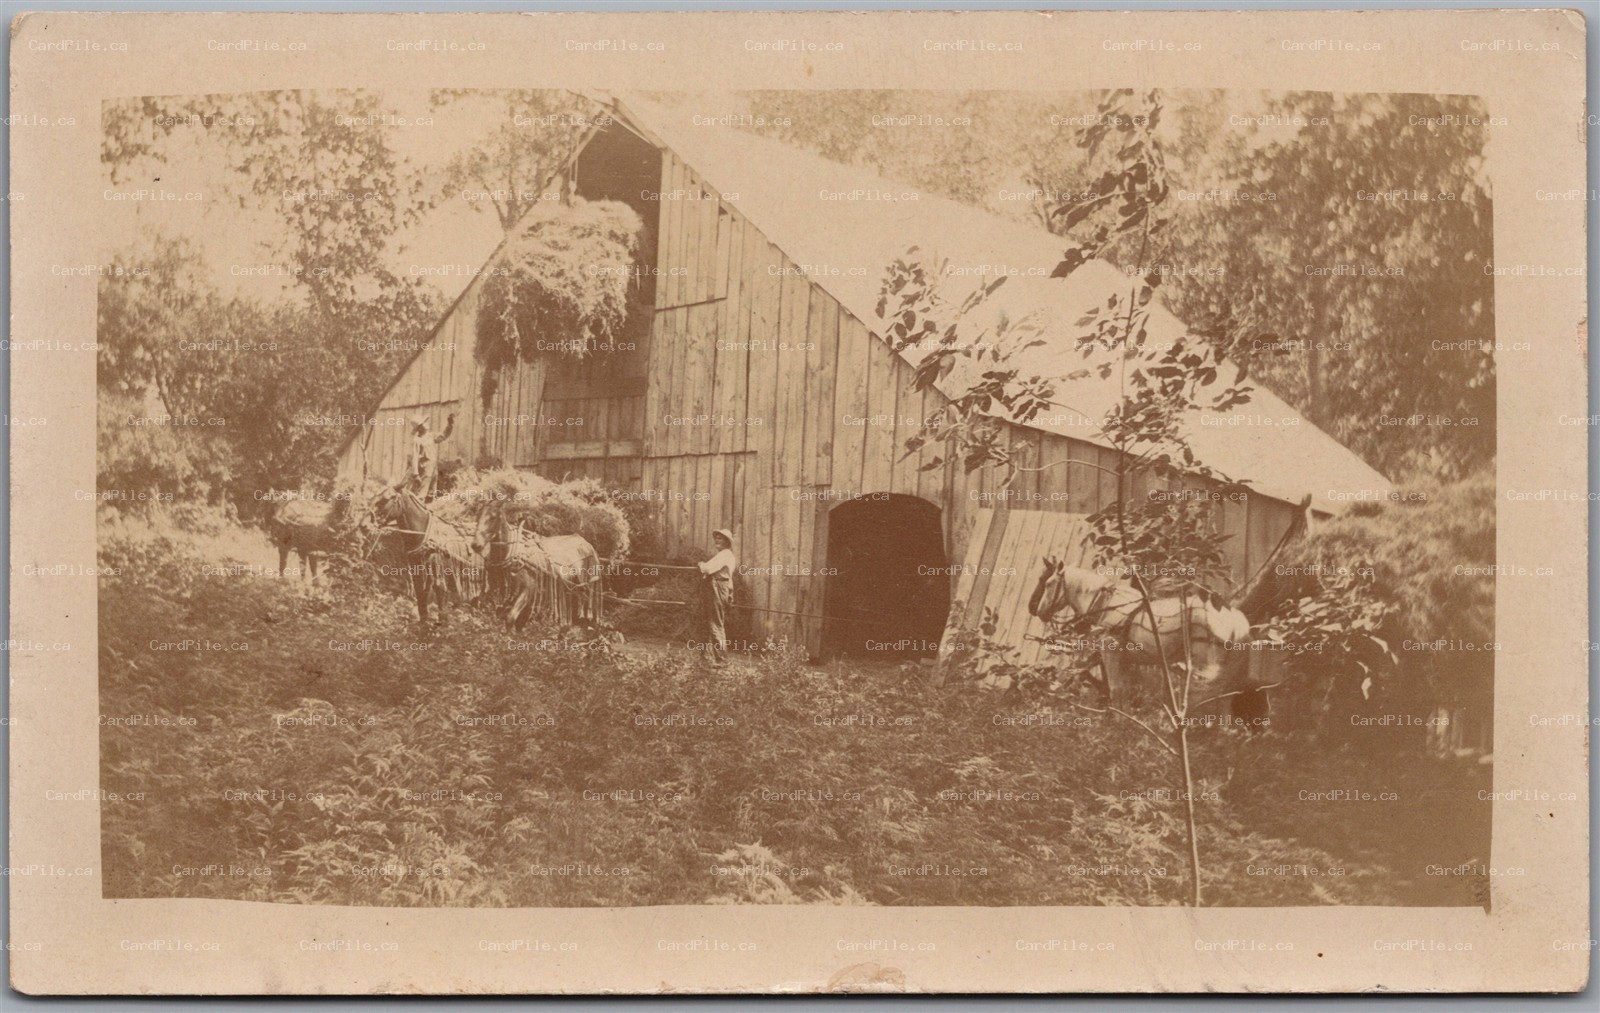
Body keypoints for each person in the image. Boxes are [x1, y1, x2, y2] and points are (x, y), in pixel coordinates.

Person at [696, 528, 736, 667]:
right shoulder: (723, 555)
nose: (717, 541)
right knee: (707, 621)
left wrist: (701, 564)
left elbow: (707, 569)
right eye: (716, 538)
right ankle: (705, 656)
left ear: (727, 542)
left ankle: (721, 659)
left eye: (720, 538)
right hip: (715, 588)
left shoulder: (725, 554)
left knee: (715, 622)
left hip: (717, 588)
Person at [404, 411, 455, 501]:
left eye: (425, 422)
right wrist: (415, 474)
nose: (426, 424)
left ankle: (429, 512)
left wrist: (449, 425)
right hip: (424, 469)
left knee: (432, 493)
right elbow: (415, 457)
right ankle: (417, 512)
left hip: (433, 468)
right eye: (423, 423)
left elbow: (443, 436)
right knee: (421, 494)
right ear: (419, 428)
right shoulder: (417, 440)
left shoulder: (431, 436)